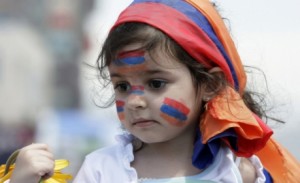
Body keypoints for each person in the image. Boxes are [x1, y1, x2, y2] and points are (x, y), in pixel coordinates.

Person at [3, 0, 300, 182]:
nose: (135, 101)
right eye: (122, 86)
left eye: (156, 84)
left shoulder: (238, 172)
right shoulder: (102, 171)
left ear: (209, 85)